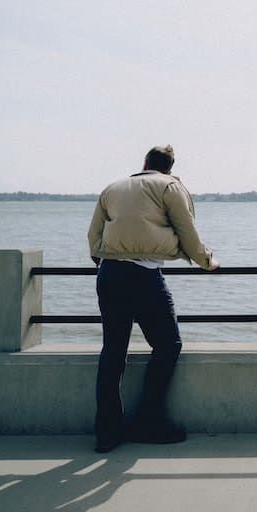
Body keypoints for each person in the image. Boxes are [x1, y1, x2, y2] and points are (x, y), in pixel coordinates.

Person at [87, 145, 219, 453]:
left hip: (109, 275)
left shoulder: (113, 187)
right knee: (167, 345)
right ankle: (148, 421)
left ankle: (107, 433)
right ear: (169, 168)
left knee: (113, 351)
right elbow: (187, 231)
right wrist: (207, 261)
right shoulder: (170, 186)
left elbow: (94, 236)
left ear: (144, 163)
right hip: (144, 278)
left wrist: (105, 262)